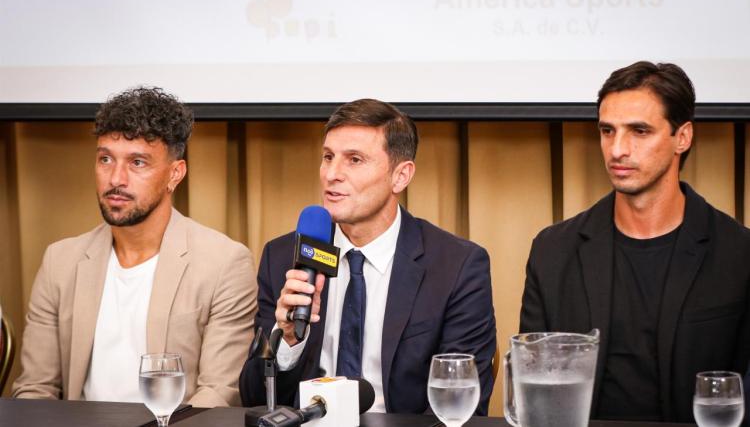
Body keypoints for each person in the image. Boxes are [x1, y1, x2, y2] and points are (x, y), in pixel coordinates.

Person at [520, 61, 750, 422]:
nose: (616, 150)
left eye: (639, 131)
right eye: (607, 131)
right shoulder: (553, 250)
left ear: (682, 137)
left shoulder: (739, 253)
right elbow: (532, 387)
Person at [239, 99, 496, 414]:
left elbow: (460, 404)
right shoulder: (283, 257)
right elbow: (252, 399)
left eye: (355, 160)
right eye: (328, 157)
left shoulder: (456, 266)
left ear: (400, 176)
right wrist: (289, 340)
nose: (332, 174)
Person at [12, 87, 257, 407]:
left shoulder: (224, 262)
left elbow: (218, 393)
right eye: (105, 159)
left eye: (137, 162)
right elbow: (35, 389)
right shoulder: (61, 260)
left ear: (175, 174)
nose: (116, 178)